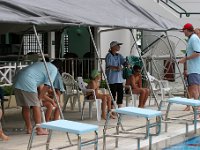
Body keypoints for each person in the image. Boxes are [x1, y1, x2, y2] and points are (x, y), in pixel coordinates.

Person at [13, 59, 63, 135]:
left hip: (17, 80)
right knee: (36, 105)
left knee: (25, 106)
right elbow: (47, 85)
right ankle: (39, 129)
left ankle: (29, 128)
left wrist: (41, 97)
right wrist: (40, 98)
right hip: (28, 81)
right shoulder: (54, 69)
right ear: (58, 68)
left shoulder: (43, 64)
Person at [179, 23, 200, 111]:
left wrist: (185, 58)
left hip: (195, 69)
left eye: (184, 30)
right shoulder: (192, 38)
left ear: (187, 30)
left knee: (195, 90)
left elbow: (197, 52)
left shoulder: (194, 38)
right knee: (194, 89)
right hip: (194, 69)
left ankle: (197, 110)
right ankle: (194, 108)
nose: (183, 32)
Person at [105, 41, 126, 109]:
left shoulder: (119, 55)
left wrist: (127, 63)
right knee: (113, 94)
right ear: (113, 47)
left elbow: (123, 62)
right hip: (112, 79)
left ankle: (120, 109)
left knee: (120, 94)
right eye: (117, 45)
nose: (119, 47)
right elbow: (109, 66)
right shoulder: (109, 55)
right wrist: (117, 67)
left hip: (119, 79)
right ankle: (112, 109)